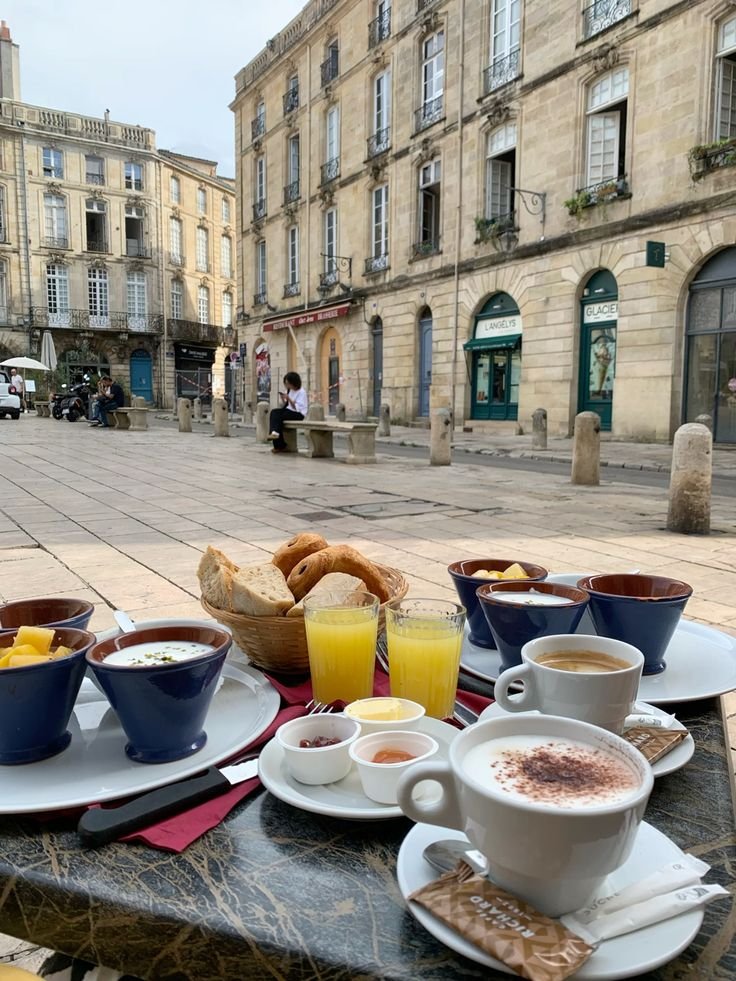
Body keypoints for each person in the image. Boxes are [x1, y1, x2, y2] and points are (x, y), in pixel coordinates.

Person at [269, 371, 308, 452]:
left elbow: (297, 408)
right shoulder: (289, 390)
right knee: (274, 412)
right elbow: (287, 405)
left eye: (288, 383)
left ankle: (279, 444)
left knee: (279, 417)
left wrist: (289, 398)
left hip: (298, 414)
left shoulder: (301, 392)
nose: (287, 386)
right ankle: (275, 434)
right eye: (286, 384)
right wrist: (284, 399)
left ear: (294, 382)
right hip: (289, 410)